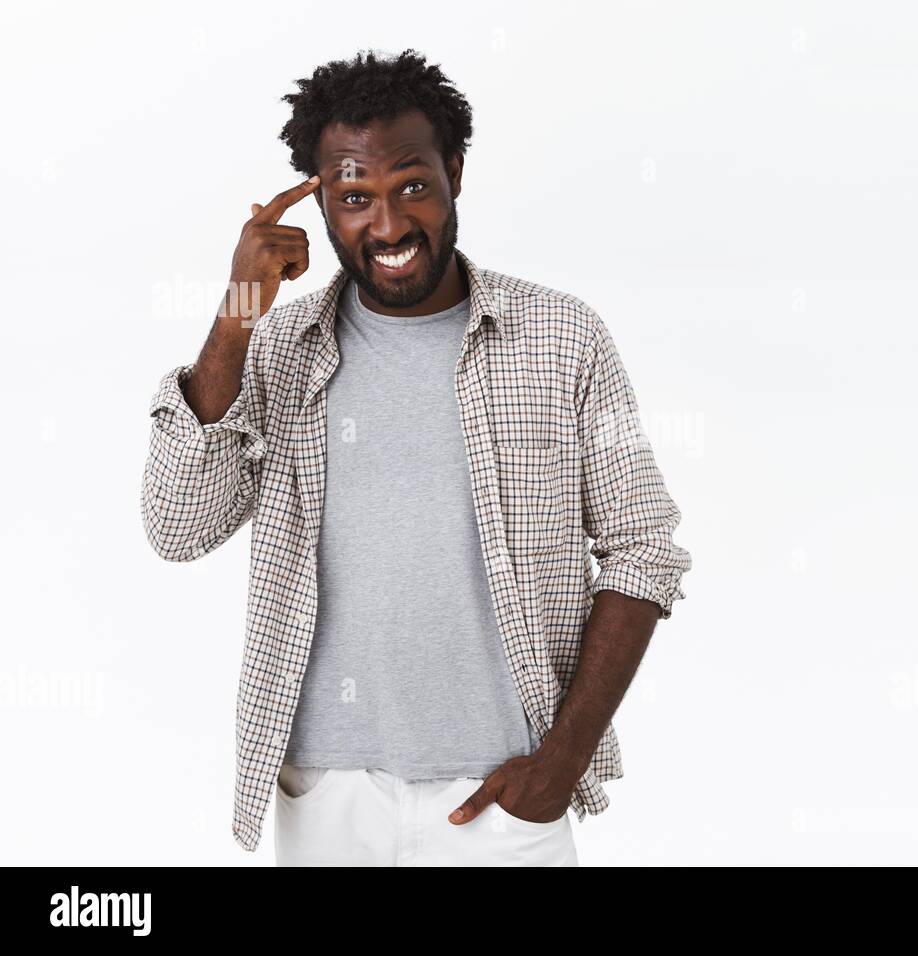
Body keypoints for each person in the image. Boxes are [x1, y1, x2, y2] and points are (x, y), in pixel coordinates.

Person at [140, 49, 691, 866]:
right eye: (355, 197)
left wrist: (562, 761)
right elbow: (176, 526)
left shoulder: (561, 338)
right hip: (327, 799)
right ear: (319, 203)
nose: (389, 226)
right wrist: (238, 312)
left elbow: (644, 550)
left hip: (505, 803)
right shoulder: (278, 348)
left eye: (413, 187)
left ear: (455, 173)